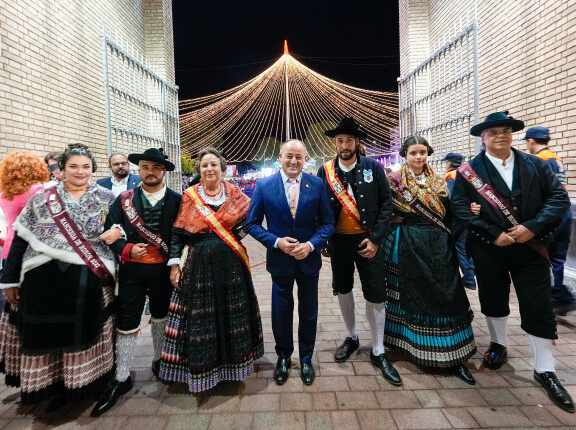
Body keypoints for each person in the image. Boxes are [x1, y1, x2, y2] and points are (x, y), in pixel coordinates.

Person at [451, 111, 573, 413]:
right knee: (492, 297)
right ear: (484, 138)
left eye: (505, 130)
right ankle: (498, 344)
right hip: (489, 248)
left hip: (530, 247)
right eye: (493, 132)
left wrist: (532, 227)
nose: (501, 136)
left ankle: (545, 369)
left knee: (538, 304)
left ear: (512, 134)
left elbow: (558, 199)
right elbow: (460, 208)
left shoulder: (537, 165)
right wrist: (493, 234)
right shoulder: (469, 172)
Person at [0, 143, 117, 411]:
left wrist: (118, 233)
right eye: (73, 166)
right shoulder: (42, 198)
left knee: (84, 326)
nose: (80, 171)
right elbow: (19, 238)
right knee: (45, 330)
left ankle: (88, 383)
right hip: (42, 278)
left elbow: (118, 231)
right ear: (61, 169)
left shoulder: (105, 197)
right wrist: (9, 280)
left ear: (93, 169)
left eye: (86, 167)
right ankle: (55, 385)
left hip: (86, 275)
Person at [159, 147, 263, 392]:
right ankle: (204, 370)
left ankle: (234, 367)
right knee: (201, 317)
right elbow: (178, 232)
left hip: (231, 264)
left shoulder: (235, 193)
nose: (209, 169)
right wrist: (174, 264)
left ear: (222, 168)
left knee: (231, 314)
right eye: (204, 165)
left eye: (214, 164)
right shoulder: (189, 196)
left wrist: (233, 237)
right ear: (199, 169)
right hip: (198, 265)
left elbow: (251, 219)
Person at [91, 148, 181, 416]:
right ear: (138, 170)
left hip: (163, 271)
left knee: (161, 316)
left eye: (155, 167)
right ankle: (121, 377)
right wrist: (127, 249)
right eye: (144, 167)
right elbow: (108, 232)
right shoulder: (123, 200)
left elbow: (182, 236)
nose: (150, 172)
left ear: (163, 171)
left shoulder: (179, 200)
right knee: (127, 321)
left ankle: (159, 361)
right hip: (131, 271)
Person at [383, 136, 477, 385]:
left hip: (439, 244)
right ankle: (411, 349)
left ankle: (454, 356)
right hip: (407, 243)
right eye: (413, 152)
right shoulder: (394, 181)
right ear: (405, 154)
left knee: (448, 294)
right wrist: (391, 219)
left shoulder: (440, 181)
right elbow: (382, 207)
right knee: (410, 294)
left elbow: (454, 211)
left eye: (422, 152)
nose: (418, 157)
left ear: (428, 153)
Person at [317, 117, 401, 387]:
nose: (344, 145)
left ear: (356, 142)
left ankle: (378, 350)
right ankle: (352, 337)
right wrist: (323, 239)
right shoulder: (325, 171)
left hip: (368, 242)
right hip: (339, 242)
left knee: (376, 293)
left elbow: (387, 205)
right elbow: (321, 208)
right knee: (342, 289)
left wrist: (376, 239)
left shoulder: (374, 168)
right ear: (335, 143)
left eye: (349, 140)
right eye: (340, 140)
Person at [246, 140, 334, 386]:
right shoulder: (264, 185)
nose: (294, 161)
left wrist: (310, 245)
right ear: (280, 157)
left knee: (309, 312)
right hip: (280, 261)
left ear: (305, 159)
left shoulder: (316, 184)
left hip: (308, 260)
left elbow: (328, 223)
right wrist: (276, 242)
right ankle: (283, 357)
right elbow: (251, 224)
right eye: (289, 156)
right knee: (281, 312)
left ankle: (306, 359)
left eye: (299, 157)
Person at [521, 126, 575, 316]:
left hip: (549, 215)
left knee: (543, 257)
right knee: (558, 259)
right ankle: (561, 296)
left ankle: (554, 297)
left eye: (526, 142)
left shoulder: (537, 160)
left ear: (531, 141)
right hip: (564, 213)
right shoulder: (555, 158)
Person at [0, 152, 50, 316]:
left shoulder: (3, 194)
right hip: (30, 249)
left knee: (14, 298)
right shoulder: (36, 190)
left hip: (9, 249)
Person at [442, 152, 477, 290]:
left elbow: (450, 198)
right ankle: (470, 274)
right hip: (469, 215)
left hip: (456, 218)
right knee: (464, 246)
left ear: (449, 164)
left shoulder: (449, 176)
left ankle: (469, 278)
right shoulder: (467, 173)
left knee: (459, 247)